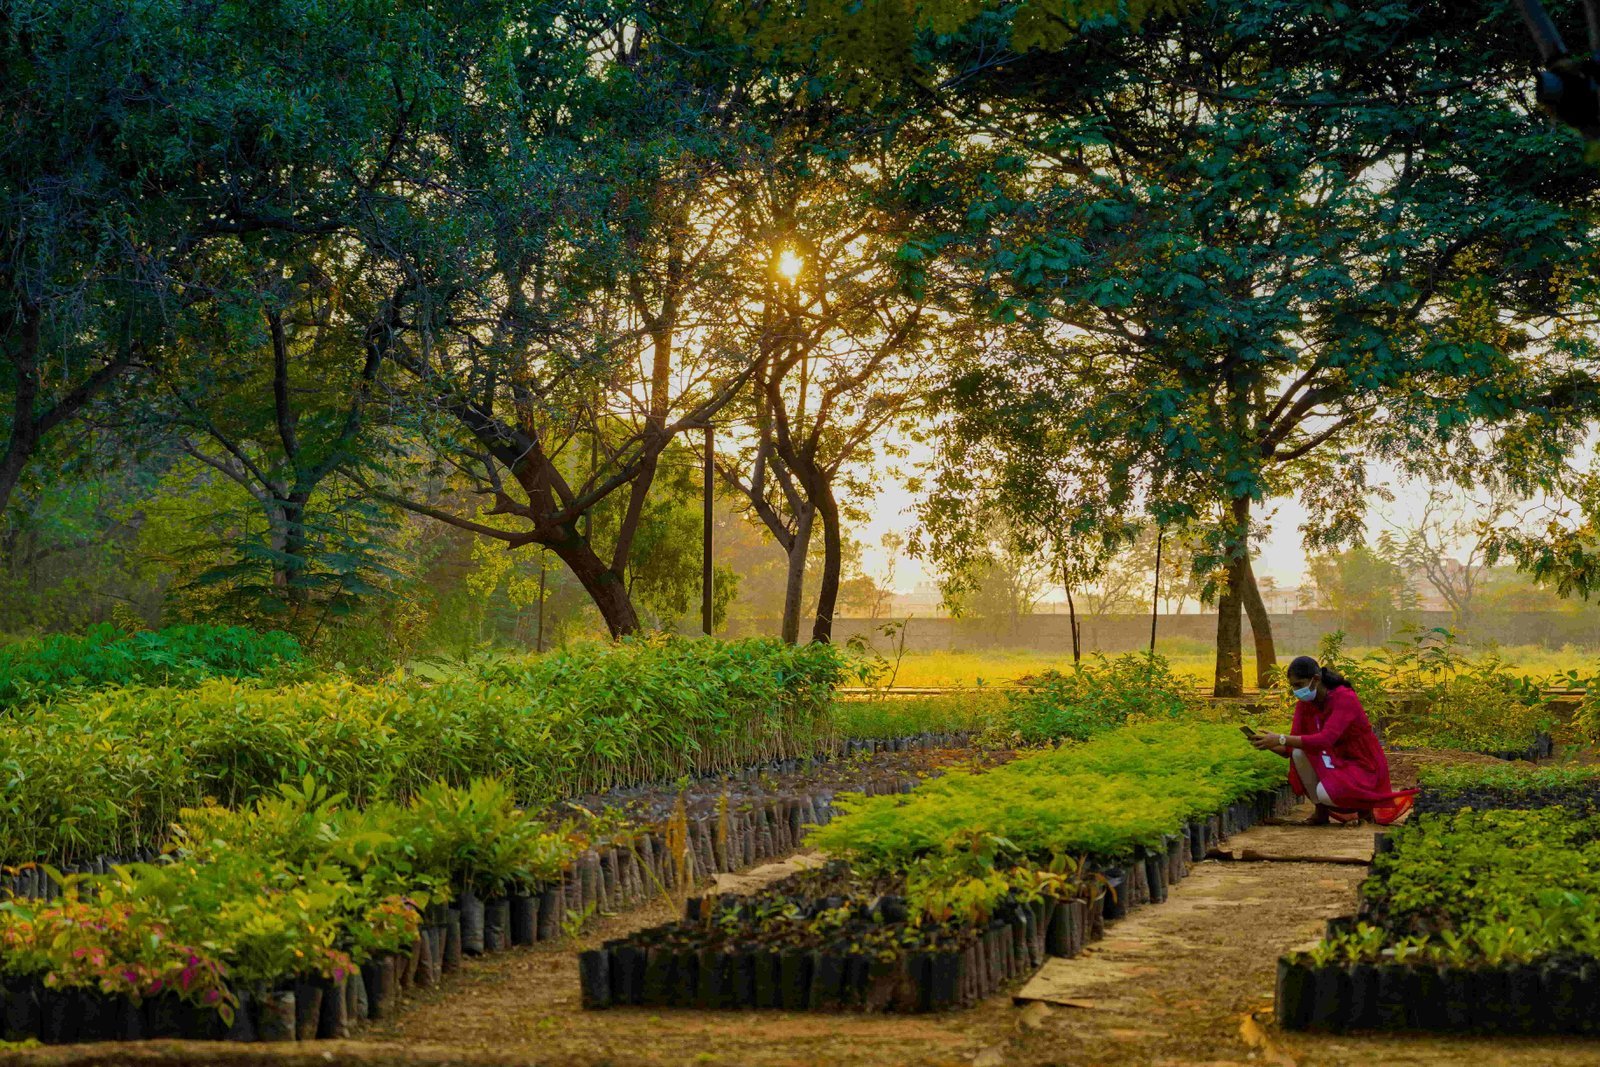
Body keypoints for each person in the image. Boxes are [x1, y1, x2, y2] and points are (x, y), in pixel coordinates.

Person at [1249, 655, 1416, 826]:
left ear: (1315, 679)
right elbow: (1290, 750)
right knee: (1299, 753)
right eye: (1293, 686)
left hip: (1362, 763)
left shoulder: (1345, 698)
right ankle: (1320, 812)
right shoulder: (1304, 704)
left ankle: (1365, 812)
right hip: (1335, 759)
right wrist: (1267, 743)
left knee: (1325, 792)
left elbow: (1325, 740)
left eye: (1299, 685)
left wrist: (1280, 738)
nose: (1296, 691)